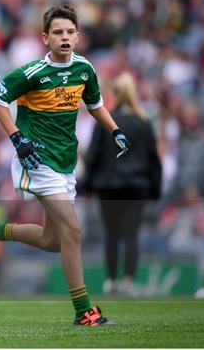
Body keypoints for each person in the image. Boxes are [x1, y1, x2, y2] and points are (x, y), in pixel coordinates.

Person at [0, 5, 129, 326]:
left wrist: (116, 130)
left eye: (69, 32)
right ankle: (84, 311)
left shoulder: (85, 69)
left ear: (78, 36)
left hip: (66, 162)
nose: (64, 37)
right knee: (73, 230)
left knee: (54, 241)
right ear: (45, 38)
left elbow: (95, 105)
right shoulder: (30, 73)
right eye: (58, 32)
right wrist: (17, 139)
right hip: (37, 159)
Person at [83, 72, 162, 296]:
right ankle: (128, 281)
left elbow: (93, 155)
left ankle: (111, 280)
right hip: (136, 187)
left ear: (115, 93)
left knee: (111, 234)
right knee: (131, 235)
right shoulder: (143, 122)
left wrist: (88, 186)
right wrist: (154, 189)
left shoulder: (106, 120)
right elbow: (153, 160)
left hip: (108, 187)